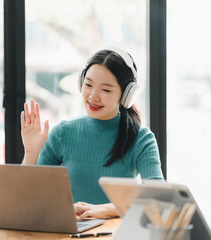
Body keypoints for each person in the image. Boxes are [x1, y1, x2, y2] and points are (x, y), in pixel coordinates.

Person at [21, 49, 164, 220]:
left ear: (127, 95)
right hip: (69, 234)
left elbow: (158, 199)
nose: (93, 96)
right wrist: (31, 153)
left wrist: (106, 210)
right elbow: (28, 196)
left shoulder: (141, 138)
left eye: (106, 90)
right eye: (88, 85)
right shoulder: (63, 133)